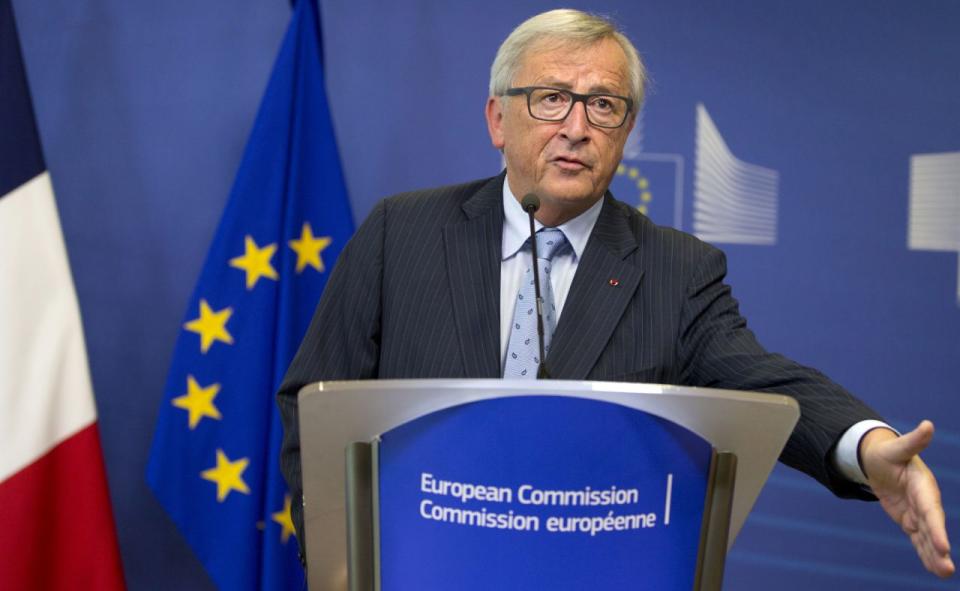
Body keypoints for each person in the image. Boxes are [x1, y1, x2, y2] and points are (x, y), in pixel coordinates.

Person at [278, 8, 953, 578]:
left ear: (625, 132)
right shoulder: (403, 233)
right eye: (550, 98)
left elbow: (767, 383)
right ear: (497, 118)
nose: (577, 126)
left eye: (603, 104)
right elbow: (313, 406)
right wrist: (343, 566)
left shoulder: (675, 270)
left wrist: (866, 449)